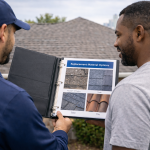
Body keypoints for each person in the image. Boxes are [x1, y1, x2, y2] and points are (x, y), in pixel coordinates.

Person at [0, 0, 72, 149]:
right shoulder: (14, 101)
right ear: (3, 32)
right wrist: (61, 131)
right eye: (13, 33)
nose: (13, 39)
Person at [87, 1, 150, 150]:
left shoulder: (131, 90)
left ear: (138, 33)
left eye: (118, 35)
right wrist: (113, 122)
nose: (115, 43)